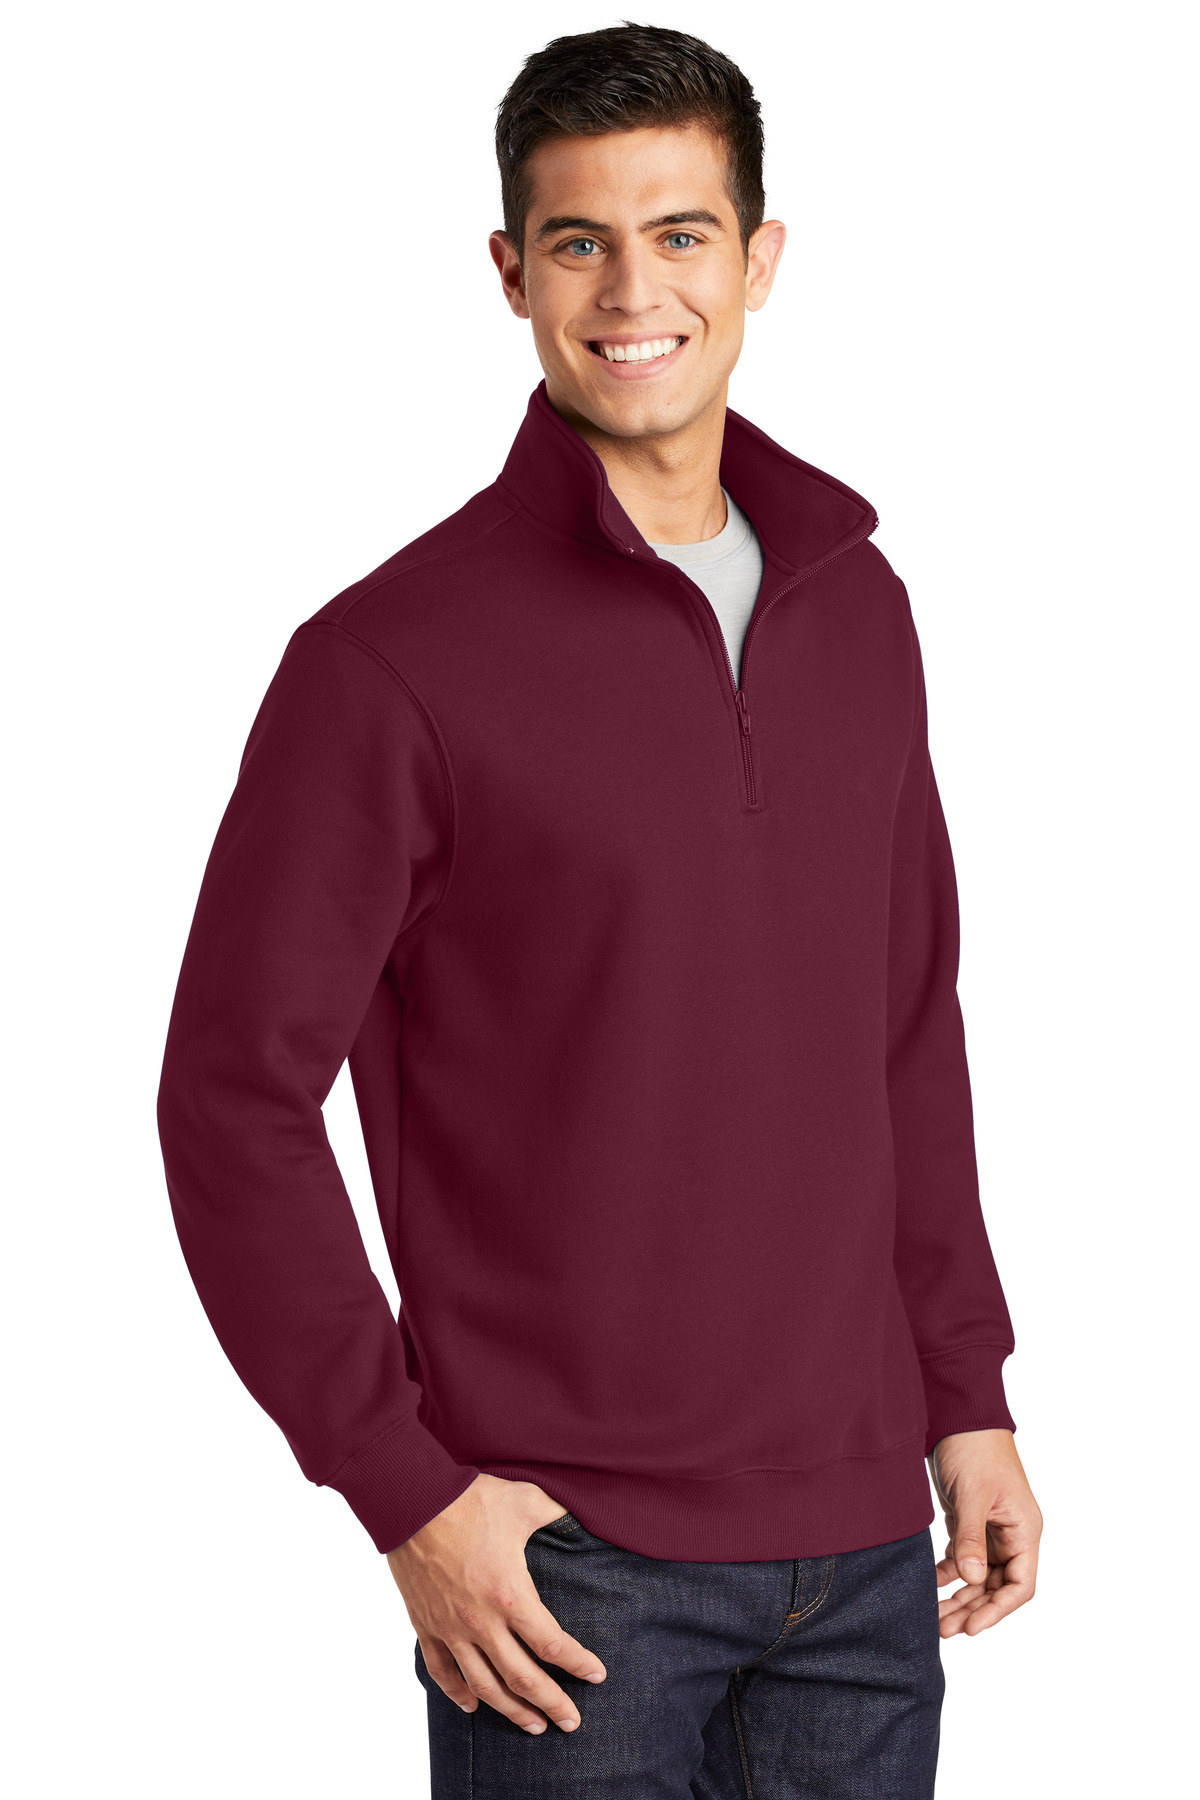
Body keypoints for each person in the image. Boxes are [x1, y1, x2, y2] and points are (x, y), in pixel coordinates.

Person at [157, 21, 1042, 1797]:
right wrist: (403, 1489)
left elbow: (903, 1030)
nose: (635, 292)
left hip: (867, 1555)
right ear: (511, 273)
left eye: (681, 233)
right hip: (568, 1575)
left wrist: (966, 1394)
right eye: (580, 242)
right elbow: (230, 1099)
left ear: (761, 258)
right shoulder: (387, 663)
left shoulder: (860, 610)